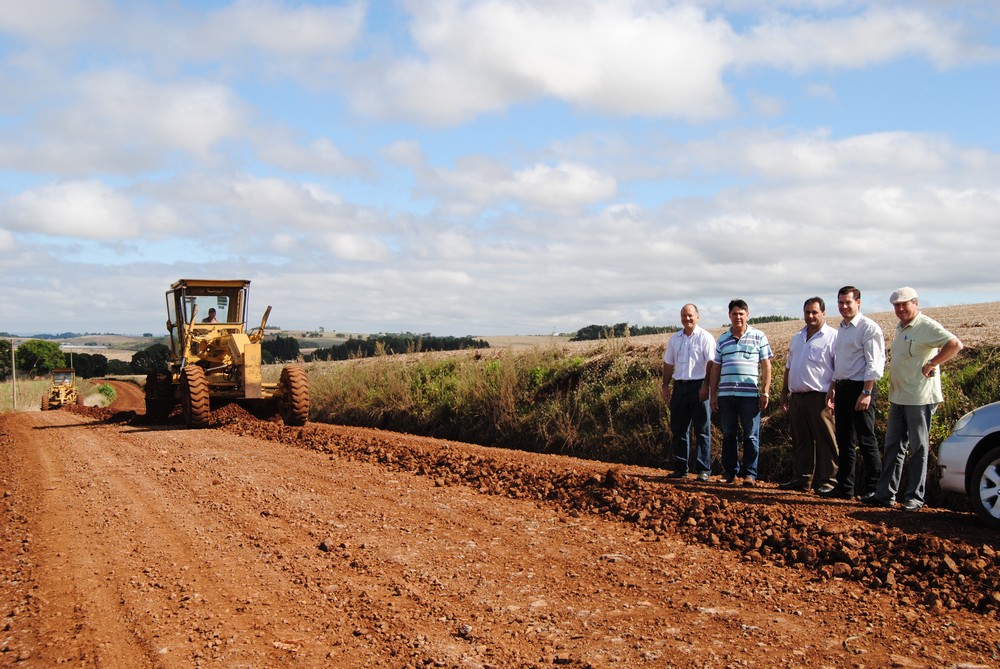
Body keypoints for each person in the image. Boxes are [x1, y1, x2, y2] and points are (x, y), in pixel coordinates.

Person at [863, 287, 963, 511]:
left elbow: (955, 344)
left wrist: (933, 362)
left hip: (920, 397)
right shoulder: (901, 327)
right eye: (896, 306)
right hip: (899, 396)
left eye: (904, 304)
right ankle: (885, 494)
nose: (900, 309)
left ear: (915, 303)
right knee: (893, 446)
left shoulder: (926, 325)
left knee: (918, 449)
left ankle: (915, 498)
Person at [821, 286, 885, 500]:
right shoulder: (843, 328)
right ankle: (845, 487)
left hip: (861, 387)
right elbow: (840, 364)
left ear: (858, 302)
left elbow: (874, 363)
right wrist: (832, 388)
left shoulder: (868, 328)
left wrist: (866, 391)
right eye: (840, 302)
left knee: (866, 439)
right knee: (845, 439)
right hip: (843, 387)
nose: (844, 306)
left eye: (848, 302)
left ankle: (873, 488)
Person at [710, 299, 773, 487]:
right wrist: (714, 394)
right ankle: (730, 473)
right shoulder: (722, 339)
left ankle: (750, 474)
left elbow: (766, 365)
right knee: (729, 434)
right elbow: (715, 368)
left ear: (747, 314)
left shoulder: (758, 336)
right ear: (729, 315)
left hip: (750, 396)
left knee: (751, 436)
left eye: (741, 313)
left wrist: (765, 391)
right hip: (727, 396)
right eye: (734, 313)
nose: (738, 317)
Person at [778, 297, 838, 493]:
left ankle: (829, 481)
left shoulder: (832, 337)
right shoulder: (797, 337)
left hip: (820, 397)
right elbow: (789, 367)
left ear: (823, 313)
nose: (810, 316)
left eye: (814, 312)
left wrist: (833, 392)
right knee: (801, 440)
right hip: (798, 397)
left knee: (826, 440)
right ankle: (802, 480)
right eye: (807, 312)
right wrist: (784, 392)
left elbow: (838, 369)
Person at [662, 304, 716, 481]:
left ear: (697, 317)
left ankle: (703, 470)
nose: (687, 319)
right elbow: (669, 363)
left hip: (699, 385)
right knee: (679, 428)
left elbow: (711, 364)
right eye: (684, 316)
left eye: (690, 316)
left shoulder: (705, 337)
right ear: (681, 318)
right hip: (679, 386)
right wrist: (665, 386)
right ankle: (680, 468)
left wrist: (707, 386)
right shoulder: (675, 339)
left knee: (702, 429)